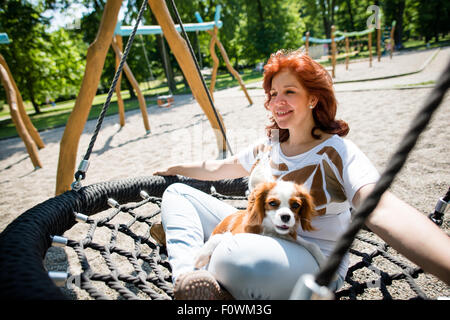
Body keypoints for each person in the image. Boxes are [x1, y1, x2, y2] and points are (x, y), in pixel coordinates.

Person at [153, 49, 450, 300]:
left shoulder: (336, 152)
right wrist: (178, 168)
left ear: (312, 99)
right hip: (260, 232)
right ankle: (189, 279)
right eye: (273, 94)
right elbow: (221, 167)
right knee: (178, 193)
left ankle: (208, 259)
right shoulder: (271, 143)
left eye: (289, 92)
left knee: (238, 257)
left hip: (312, 260)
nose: (277, 101)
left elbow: (380, 208)